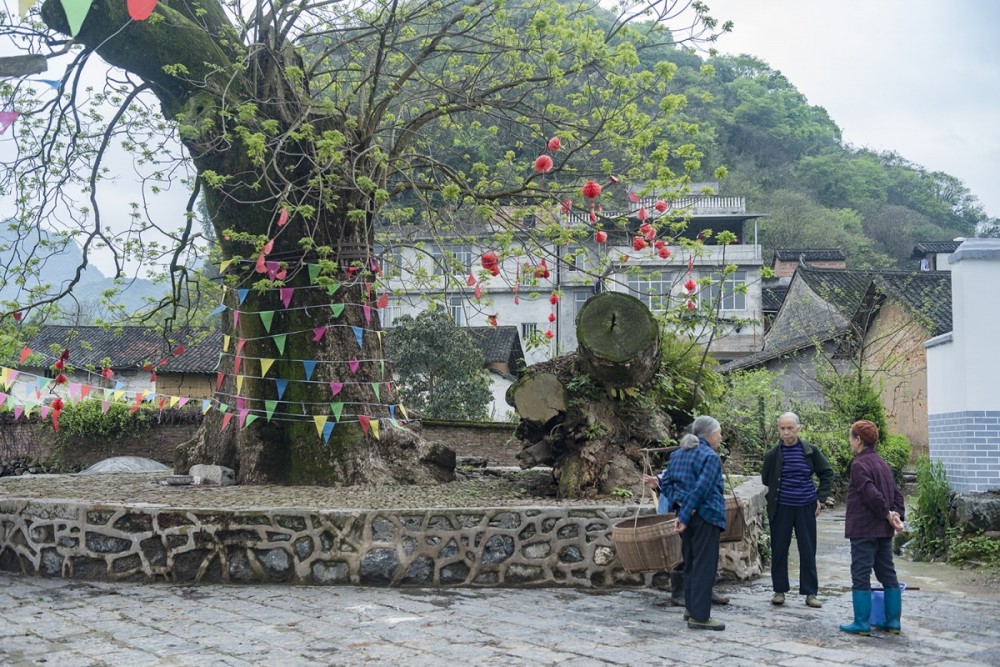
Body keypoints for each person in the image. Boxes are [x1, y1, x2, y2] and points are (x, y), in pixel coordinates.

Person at [644, 416, 727, 631]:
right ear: (710, 434)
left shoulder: (677, 454)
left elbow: (668, 484)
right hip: (705, 516)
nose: (720, 436)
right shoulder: (710, 457)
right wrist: (687, 513)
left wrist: (681, 508)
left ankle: (691, 608)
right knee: (704, 566)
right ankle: (700, 616)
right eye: (719, 432)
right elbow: (702, 489)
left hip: (685, 517)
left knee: (690, 562)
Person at [761, 412, 834, 608]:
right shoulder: (772, 455)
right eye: (782, 428)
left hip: (806, 506)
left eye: (790, 428)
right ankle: (779, 590)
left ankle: (810, 593)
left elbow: (827, 473)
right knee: (779, 549)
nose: (786, 433)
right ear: (778, 430)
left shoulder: (810, 451)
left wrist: (820, 498)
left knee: (808, 550)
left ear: (798, 428)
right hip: (781, 507)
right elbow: (766, 479)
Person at [840, 419, 906, 636]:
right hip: (883, 531)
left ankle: (861, 623)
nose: (850, 442)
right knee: (887, 574)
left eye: (851, 437)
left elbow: (870, 493)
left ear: (858, 440)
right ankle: (893, 622)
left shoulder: (859, 464)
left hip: (864, 530)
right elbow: (896, 494)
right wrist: (896, 515)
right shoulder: (882, 463)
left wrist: (888, 514)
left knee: (860, 574)